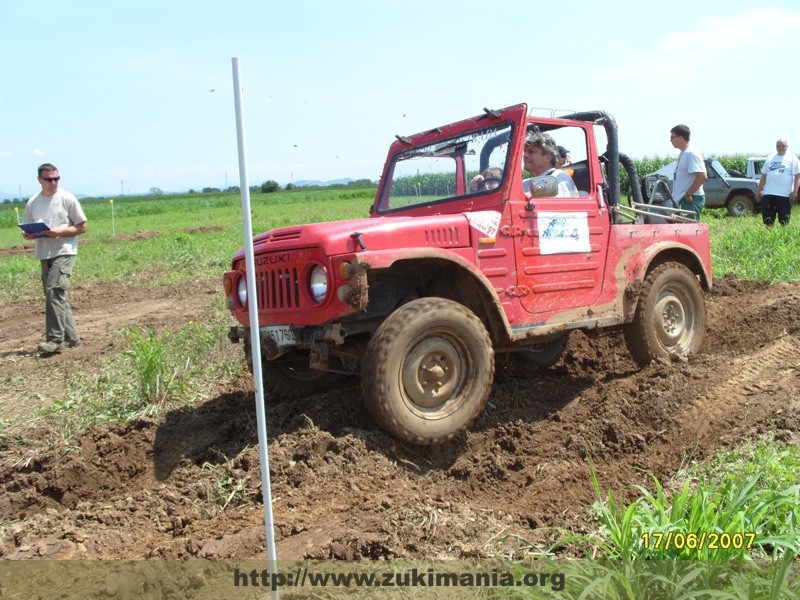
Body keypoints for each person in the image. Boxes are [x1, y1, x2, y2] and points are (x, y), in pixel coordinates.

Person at [21, 164, 88, 354]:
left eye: (56, 179)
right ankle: (73, 339)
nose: (53, 182)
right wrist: (29, 235)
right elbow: (28, 228)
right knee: (56, 296)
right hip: (44, 252)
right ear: (39, 180)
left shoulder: (67, 198)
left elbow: (82, 227)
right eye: (48, 179)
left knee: (53, 290)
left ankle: (54, 340)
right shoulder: (33, 202)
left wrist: (59, 231)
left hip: (64, 250)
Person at [756, 138, 800, 226]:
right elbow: (764, 176)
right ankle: (769, 238)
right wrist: (758, 191)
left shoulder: (792, 158)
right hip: (768, 193)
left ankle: (784, 238)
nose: (780, 148)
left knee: (784, 221)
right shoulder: (770, 157)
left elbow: (797, 176)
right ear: (776, 147)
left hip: (784, 194)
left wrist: (795, 191)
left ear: (787, 146)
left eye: (783, 146)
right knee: (768, 220)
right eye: (778, 146)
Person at [522, 132, 579, 197]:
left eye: (531, 151)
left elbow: (561, 206)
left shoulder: (558, 178)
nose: (525, 155)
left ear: (548, 158)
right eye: (525, 152)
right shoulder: (525, 183)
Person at [669, 124, 707, 220]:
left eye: (672, 137)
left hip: (690, 199)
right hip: (683, 199)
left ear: (680, 137)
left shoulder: (691, 153)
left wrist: (688, 194)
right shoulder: (684, 152)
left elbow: (702, 176)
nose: (670, 140)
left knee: (690, 230)